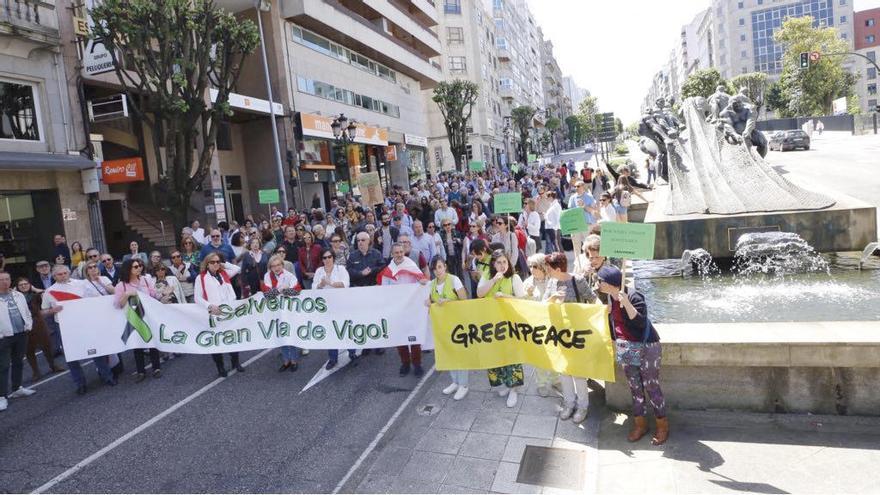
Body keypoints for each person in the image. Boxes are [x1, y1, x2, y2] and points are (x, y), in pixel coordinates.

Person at [596, 265, 668, 445]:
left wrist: (626, 303)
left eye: (600, 281)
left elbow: (640, 322)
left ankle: (662, 426)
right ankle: (640, 424)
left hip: (647, 346)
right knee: (635, 387)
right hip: (626, 346)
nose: (598, 283)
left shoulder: (634, 296)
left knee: (651, 386)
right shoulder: (608, 297)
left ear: (611, 283)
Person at [42, 264, 115, 394]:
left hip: (84, 322)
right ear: (54, 276)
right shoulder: (49, 291)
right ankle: (80, 384)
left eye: (65, 273)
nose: (63, 276)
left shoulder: (82, 284)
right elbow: (43, 311)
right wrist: (52, 310)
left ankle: (107, 376)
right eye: (60, 274)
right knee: (71, 355)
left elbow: (95, 299)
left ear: (69, 273)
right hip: (64, 327)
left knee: (96, 350)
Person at [544, 252, 595, 423]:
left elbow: (593, 300)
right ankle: (568, 403)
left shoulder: (577, 280)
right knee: (564, 371)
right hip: (559, 333)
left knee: (579, 373)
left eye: (549, 268)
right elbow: (543, 304)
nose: (547, 271)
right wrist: (552, 298)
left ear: (558, 269)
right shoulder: (551, 282)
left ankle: (582, 406)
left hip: (578, 333)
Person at [476, 250, 525, 408]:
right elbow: (479, 294)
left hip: (510, 325)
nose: (502, 265)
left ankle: (514, 389)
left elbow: (522, 300)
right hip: (491, 324)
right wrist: (492, 280)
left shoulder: (514, 278)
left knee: (511, 357)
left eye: (505, 262)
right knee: (496, 355)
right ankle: (503, 383)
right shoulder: (486, 275)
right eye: (499, 263)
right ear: (493, 264)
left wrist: (506, 297)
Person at [378, 243, 428, 376]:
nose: (399, 254)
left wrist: (422, 281)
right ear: (392, 254)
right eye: (396, 253)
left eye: (401, 252)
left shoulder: (411, 264)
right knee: (401, 338)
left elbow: (420, 278)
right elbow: (384, 291)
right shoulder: (388, 271)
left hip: (412, 308)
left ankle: (417, 364)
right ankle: (405, 363)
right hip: (397, 310)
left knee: (414, 337)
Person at [194, 253, 243, 377]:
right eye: (212, 262)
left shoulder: (223, 274)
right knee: (216, 341)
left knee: (232, 337)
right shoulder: (201, 278)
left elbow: (237, 269)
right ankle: (220, 366)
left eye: (217, 261)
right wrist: (209, 306)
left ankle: (235, 362)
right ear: (207, 264)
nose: (216, 264)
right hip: (214, 313)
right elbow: (197, 298)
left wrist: (223, 264)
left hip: (229, 312)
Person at [427, 257, 469, 400]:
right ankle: (455, 382)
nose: (437, 271)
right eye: (434, 268)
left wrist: (449, 302)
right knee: (449, 353)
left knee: (459, 354)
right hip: (443, 325)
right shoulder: (431, 284)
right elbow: (431, 301)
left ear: (444, 266)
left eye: (439, 267)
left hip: (458, 323)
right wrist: (429, 302)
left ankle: (463, 385)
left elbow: (464, 300)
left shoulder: (454, 280)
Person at [114, 259, 162, 382]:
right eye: (135, 267)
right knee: (137, 344)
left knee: (152, 341)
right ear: (128, 269)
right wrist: (127, 294)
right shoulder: (121, 285)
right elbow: (118, 305)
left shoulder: (146, 279)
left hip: (148, 315)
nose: (139, 268)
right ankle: (141, 371)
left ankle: (156, 368)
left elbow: (154, 296)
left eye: (140, 266)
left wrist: (163, 294)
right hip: (133, 317)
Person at [14, 277, 64, 381]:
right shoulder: (15, 298)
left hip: (39, 323)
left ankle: (53, 365)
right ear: (17, 287)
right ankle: (36, 372)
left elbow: (47, 293)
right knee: (29, 350)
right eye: (21, 285)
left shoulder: (35, 296)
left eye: (26, 284)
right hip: (23, 326)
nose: (24, 286)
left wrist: (35, 289)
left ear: (30, 285)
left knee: (46, 346)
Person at [0, 270, 37, 411]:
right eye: (1, 279)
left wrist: (29, 325)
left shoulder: (18, 294)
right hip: (4, 337)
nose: (4, 282)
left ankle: (17, 388)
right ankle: (2, 396)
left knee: (18, 362)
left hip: (21, 333)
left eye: (7, 279)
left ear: (10, 280)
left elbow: (26, 312)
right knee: (2, 367)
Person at [314, 249, 355, 370]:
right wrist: (320, 285)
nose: (327, 260)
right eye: (324, 258)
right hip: (326, 307)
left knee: (345, 329)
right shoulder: (319, 271)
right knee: (331, 331)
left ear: (333, 257)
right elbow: (313, 287)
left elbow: (345, 284)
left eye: (329, 257)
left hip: (341, 305)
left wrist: (330, 283)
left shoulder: (340, 269)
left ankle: (352, 353)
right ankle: (332, 358)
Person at [262, 254, 302, 372]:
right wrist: (281, 289)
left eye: (278, 265)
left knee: (289, 333)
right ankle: (286, 361)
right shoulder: (267, 276)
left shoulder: (289, 275)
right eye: (273, 266)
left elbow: (297, 291)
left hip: (288, 310)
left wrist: (284, 290)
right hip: (275, 311)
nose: (276, 268)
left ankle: (294, 360)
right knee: (280, 334)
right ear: (270, 267)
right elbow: (267, 294)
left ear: (282, 265)